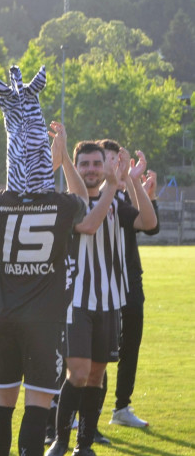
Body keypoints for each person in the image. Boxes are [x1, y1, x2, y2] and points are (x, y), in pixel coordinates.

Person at [0, 68, 107, 456]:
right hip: (44, 320)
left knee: (1, 399)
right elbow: (83, 202)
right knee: (37, 403)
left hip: (4, 316)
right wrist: (64, 155)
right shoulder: (60, 203)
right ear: (42, 161)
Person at [45, 139, 157, 456]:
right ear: (76, 168)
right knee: (77, 373)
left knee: (95, 376)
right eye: (86, 165)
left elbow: (149, 224)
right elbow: (89, 226)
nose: (93, 170)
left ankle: (85, 447)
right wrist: (112, 183)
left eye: (98, 164)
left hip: (110, 302)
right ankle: (61, 441)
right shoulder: (70, 202)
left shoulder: (118, 199)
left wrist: (131, 180)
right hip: (76, 301)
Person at [96, 140, 160, 429]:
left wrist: (138, 186)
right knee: (99, 351)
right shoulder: (97, 199)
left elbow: (152, 226)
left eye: (119, 159)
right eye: (110, 160)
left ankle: (121, 407)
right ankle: (85, 410)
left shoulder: (124, 198)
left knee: (129, 347)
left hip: (131, 282)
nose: (116, 165)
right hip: (101, 284)